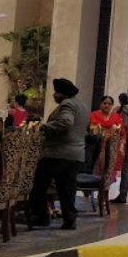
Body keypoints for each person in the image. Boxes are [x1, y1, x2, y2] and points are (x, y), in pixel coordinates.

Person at [29, 78, 89, 230]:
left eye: (56, 92)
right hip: (76, 153)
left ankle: (41, 216)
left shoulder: (67, 104)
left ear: (64, 93)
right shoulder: (81, 105)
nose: (54, 95)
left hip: (59, 152)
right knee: (67, 188)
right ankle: (70, 219)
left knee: (38, 183)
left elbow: (65, 122)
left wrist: (44, 127)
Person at [90, 95, 124, 182]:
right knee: (97, 165)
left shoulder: (115, 116)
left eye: (109, 104)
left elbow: (120, 130)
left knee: (109, 166)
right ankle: (94, 184)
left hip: (111, 147)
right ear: (100, 104)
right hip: (97, 145)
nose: (107, 105)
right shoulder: (94, 114)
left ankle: (106, 185)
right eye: (104, 103)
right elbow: (92, 128)